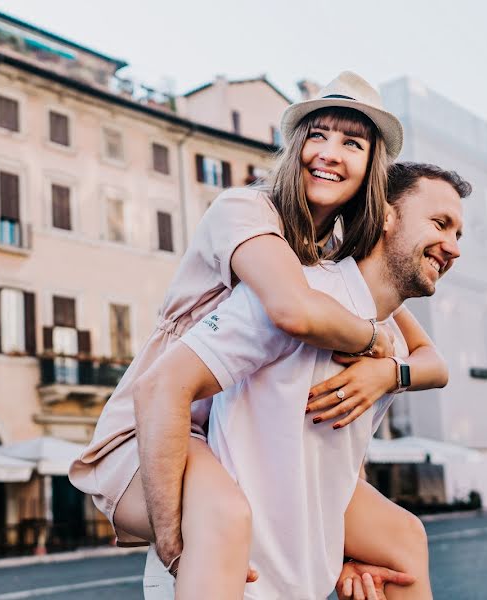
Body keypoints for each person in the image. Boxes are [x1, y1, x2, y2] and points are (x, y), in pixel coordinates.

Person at [69, 72, 446, 596]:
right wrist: (175, 539)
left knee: (403, 537)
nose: (330, 152)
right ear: (295, 147)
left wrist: (389, 373)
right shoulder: (245, 210)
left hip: (241, 444)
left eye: (352, 143)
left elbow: (433, 362)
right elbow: (292, 309)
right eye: (317, 135)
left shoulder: (337, 264)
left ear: (371, 172)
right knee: (221, 514)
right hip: (157, 428)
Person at [135, 163, 469, 598]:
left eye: (459, 235)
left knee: (405, 540)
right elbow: (160, 386)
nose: (454, 248)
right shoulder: (297, 296)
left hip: (301, 581)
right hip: (228, 575)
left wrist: (347, 554)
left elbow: (337, 455)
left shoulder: (393, 343)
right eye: (440, 224)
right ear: (385, 216)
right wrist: (171, 543)